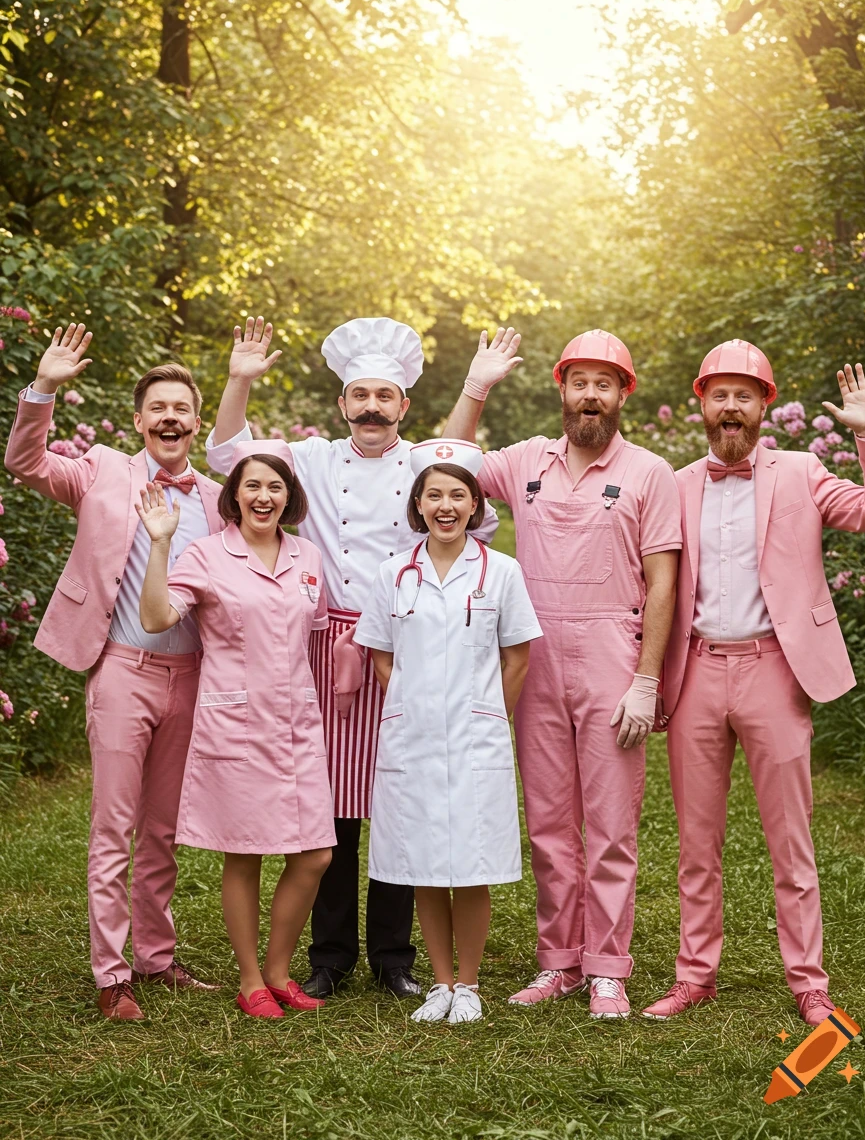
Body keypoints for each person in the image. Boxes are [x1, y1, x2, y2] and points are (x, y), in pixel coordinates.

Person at [206, 315, 499, 998]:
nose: (371, 407)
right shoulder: (308, 459)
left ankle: (394, 959)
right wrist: (239, 381)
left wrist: (475, 389)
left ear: (404, 406)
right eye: (360, 395)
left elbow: (467, 479)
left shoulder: (425, 466)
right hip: (323, 648)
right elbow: (228, 455)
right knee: (329, 804)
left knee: (397, 796)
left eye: (384, 397)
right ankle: (330, 954)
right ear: (342, 404)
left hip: (403, 646)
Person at [643, 342, 865, 1026]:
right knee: (697, 843)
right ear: (701, 403)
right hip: (695, 673)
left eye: (744, 395)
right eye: (719, 395)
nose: (731, 407)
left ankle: (809, 982)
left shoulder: (803, 471)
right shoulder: (675, 482)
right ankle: (695, 976)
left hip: (775, 672)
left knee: (792, 839)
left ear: (763, 406)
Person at [442, 328, 681, 1018]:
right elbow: (447, 464)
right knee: (548, 819)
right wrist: (476, 387)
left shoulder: (648, 473)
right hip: (534, 651)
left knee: (610, 824)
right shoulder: (526, 462)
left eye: (605, 384)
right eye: (580, 381)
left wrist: (646, 679)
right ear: (562, 389)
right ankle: (560, 961)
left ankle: (608, 967)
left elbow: (662, 583)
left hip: (612, 649)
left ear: (623, 395)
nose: (591, 395)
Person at [4, 324, 221, 1020]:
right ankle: (111, 972)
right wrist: (43, 388)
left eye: (180, 408)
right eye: (157, 407)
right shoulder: (100, 470)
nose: (168, 417)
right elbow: (26, 464)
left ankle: (157, 958)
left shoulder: (218, 501)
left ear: (197, 421)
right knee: (114, 827)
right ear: (138, 419)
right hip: (122, 672)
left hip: (190, 677)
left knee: (162, 829)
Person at [136, 439, 335, 1019]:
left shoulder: (308, 558)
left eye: (275, 486)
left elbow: (312, 634)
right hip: (237, 723)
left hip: (298, 722)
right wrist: (159, 542)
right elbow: (154, 618)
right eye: (252, 485)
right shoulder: (205, 554)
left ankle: (280, 969)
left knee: (316, 852)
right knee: (244, 855)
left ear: (289, 497)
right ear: (234, 495)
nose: (263, 495)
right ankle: (252, 979)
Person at [355, 440, 543, 1024]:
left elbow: (517, 658)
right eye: (433, 494)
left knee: (473, 861)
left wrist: (490, 713)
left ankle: (470, 984)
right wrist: (410, 697)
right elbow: (382, 654)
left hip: (475, 736)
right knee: (425, 864)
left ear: (474, 505)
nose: (445, 505)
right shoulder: (393, 573)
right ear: (417, 504)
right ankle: (439, 983)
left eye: (456, 495)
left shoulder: (501, 571)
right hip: (411, 737)